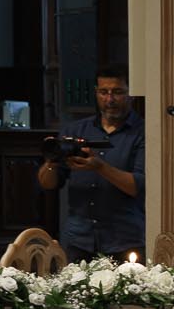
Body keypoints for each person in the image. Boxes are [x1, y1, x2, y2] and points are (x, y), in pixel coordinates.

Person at [40, 63, 147, 261]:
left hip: (125, 238)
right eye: (104, 92)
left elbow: (137, 187)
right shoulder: (75, 131)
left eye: (117, 92)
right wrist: (51, 161)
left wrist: (100, 167)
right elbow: (48, 184)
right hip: (80, 239)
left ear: (131, 94)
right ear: (96, 92)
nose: (110, 100)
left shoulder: (144, 132)